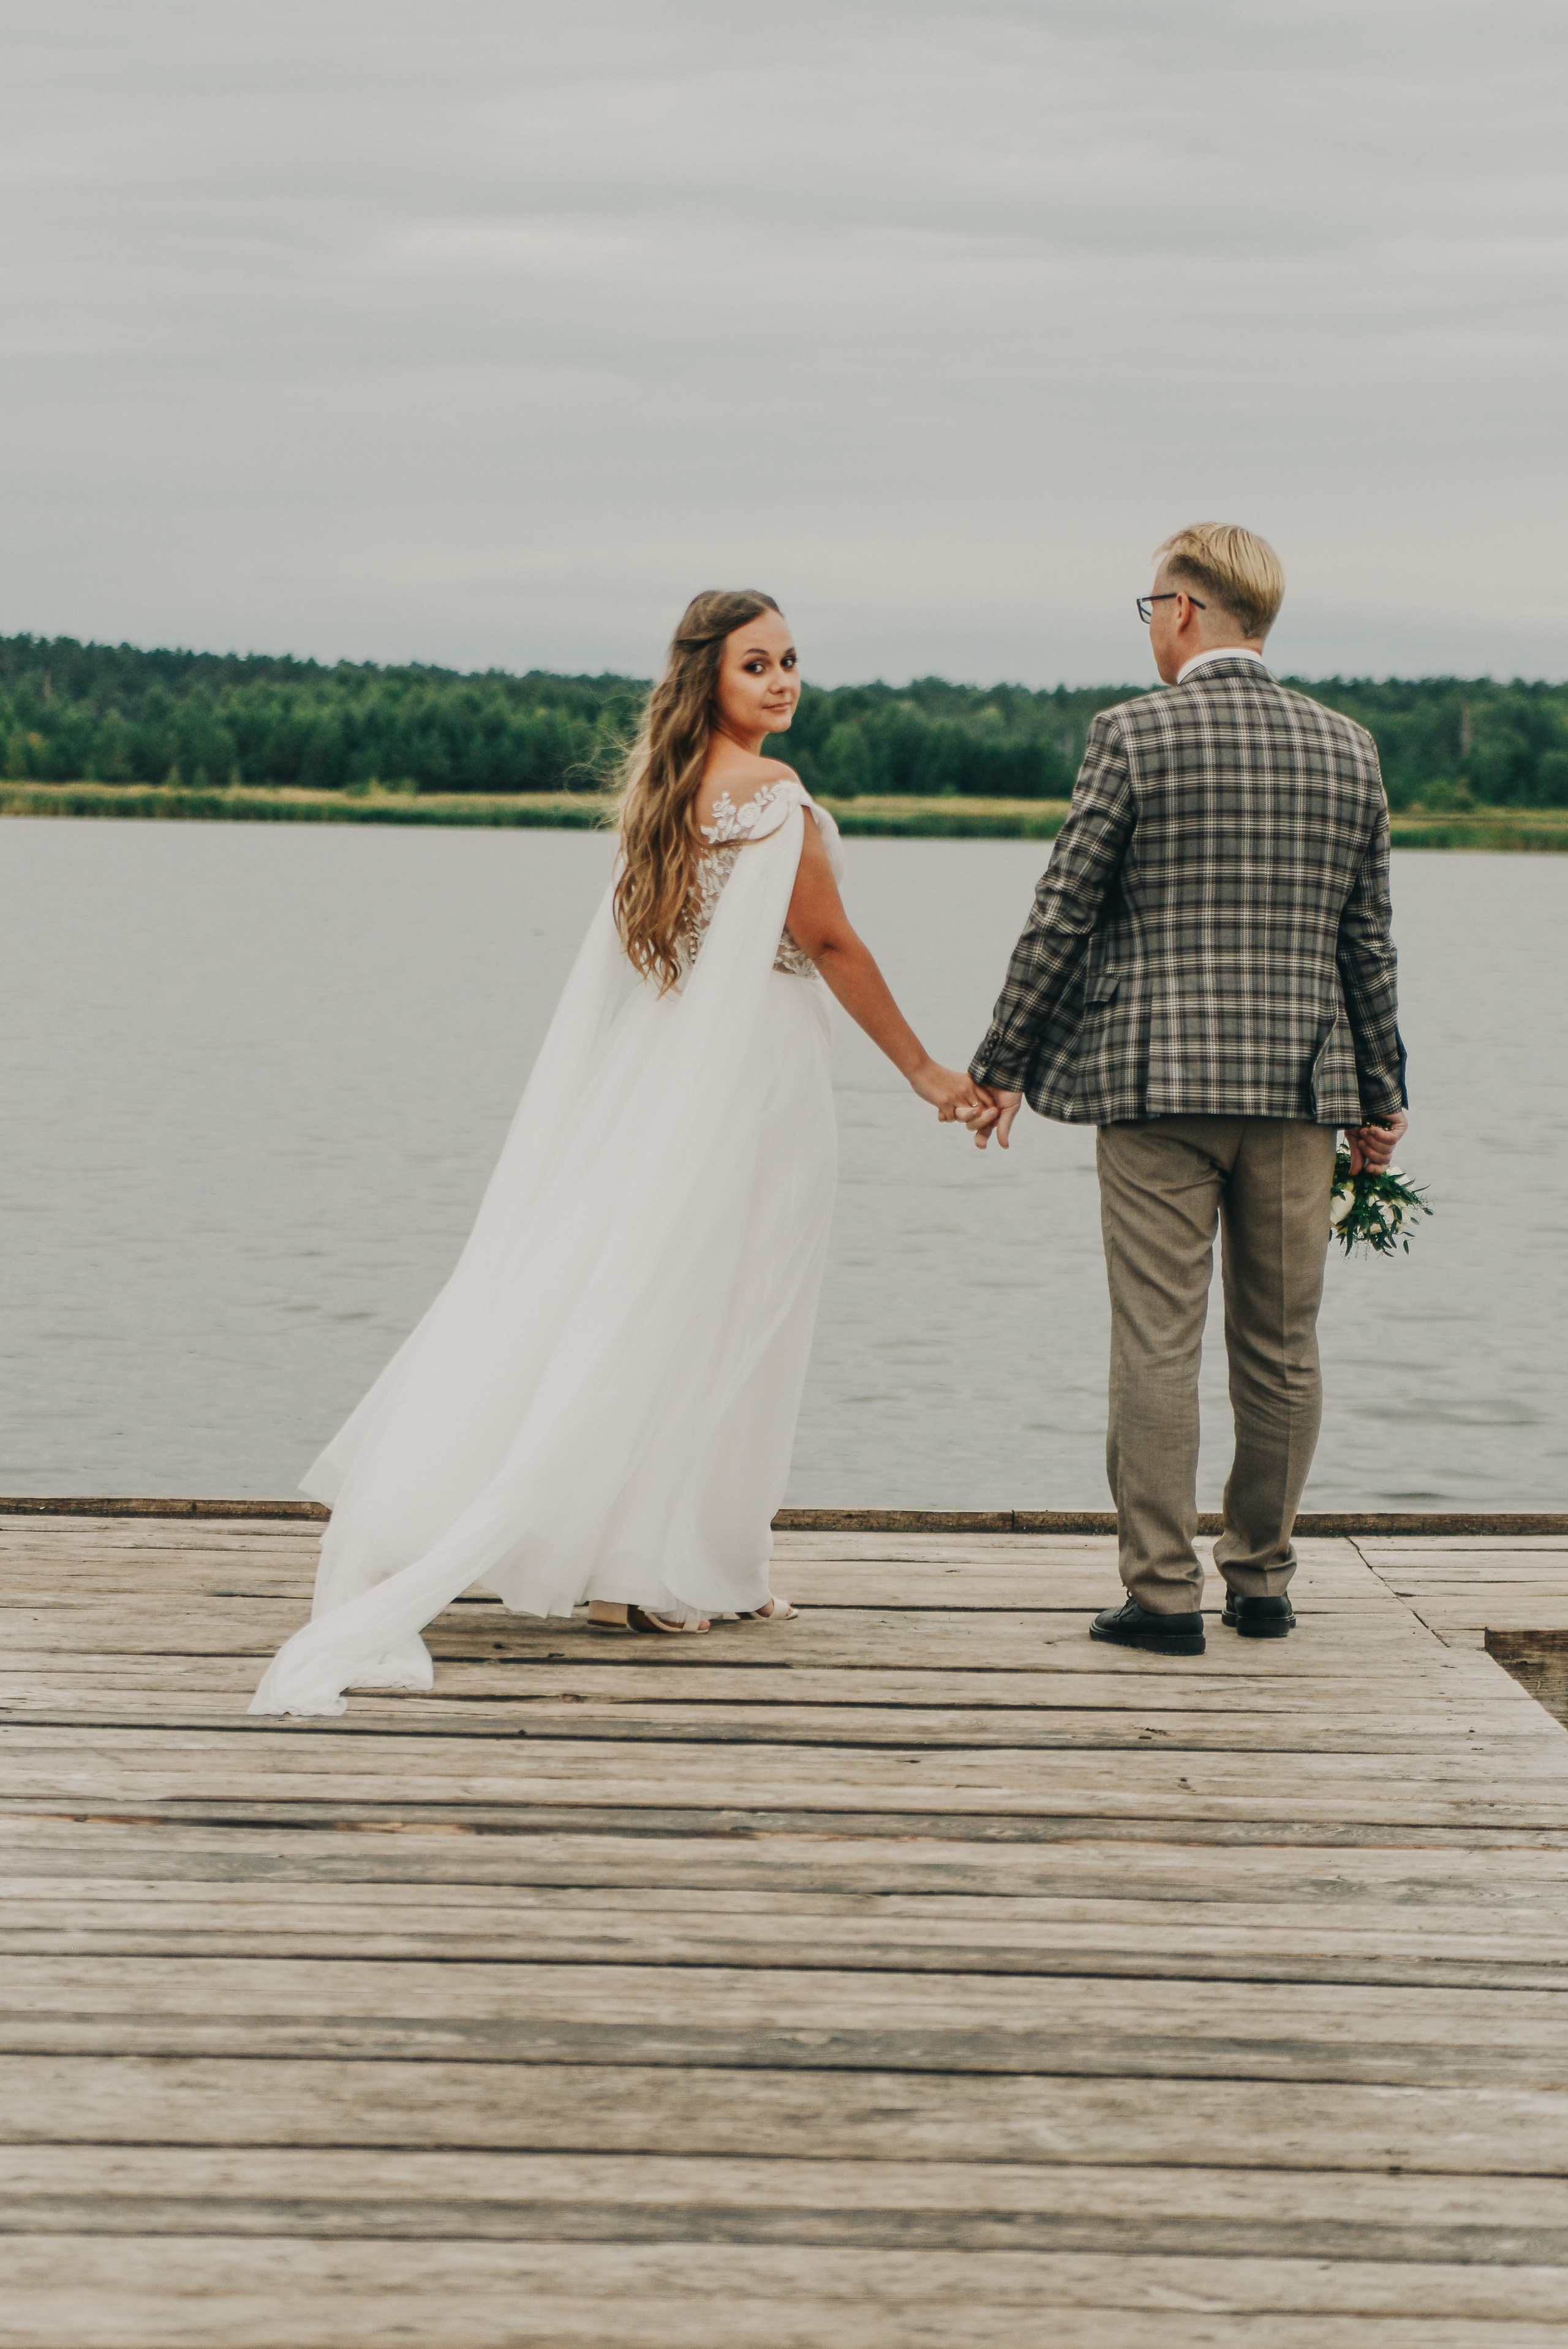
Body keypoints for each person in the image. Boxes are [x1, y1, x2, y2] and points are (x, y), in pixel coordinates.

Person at [251, 589, 990, 1715]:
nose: (785, 681)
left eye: (792, 661)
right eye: (758, 665)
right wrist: (928, 1070)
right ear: (711, 679)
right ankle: (639, 1574)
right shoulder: (771, 793)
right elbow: (828, 940)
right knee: (722, 1304)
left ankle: (701, 1561)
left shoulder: (666, 790)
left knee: (665, 1296)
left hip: (665, 1083)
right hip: (748, 1084)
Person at [970, 524, 1406, 1655]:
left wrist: (1000, 1064)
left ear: (1183, 611)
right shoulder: (1349, 748)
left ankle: (1162, 1596)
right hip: (1304, 1087)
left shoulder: (1132, 733)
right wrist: (1383, 1091)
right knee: (1283, 1343)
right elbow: (1369, 943)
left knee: (1157, 1340)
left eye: (1149, 608)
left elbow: (1063, 909)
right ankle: (1262, 1579)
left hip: (1157, 1085)